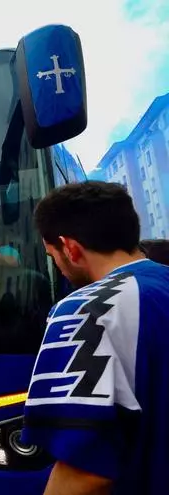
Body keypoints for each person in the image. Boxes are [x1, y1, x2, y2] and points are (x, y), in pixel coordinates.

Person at [23, 181, 169, 494]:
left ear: (70, 248)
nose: (58, 267)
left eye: (53, 256)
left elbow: (86, 471)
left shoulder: (87, 309)